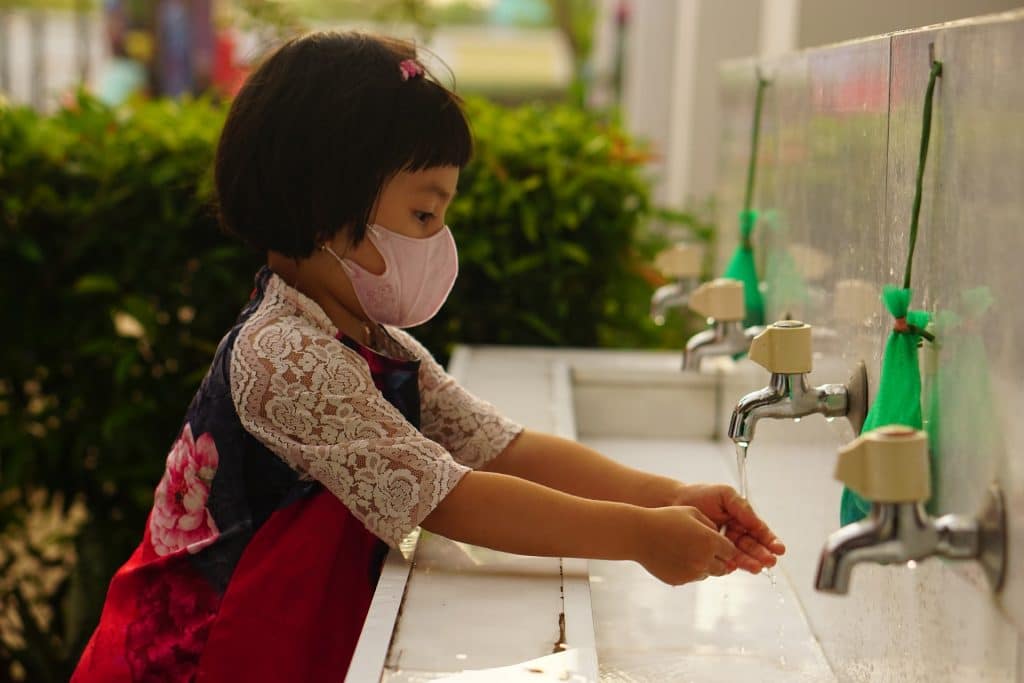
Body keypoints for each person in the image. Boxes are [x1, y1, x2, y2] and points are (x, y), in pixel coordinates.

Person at [72, 31, 785, 682]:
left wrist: (667, 497)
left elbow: (499, 448)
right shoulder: (286, 354)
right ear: (324, 207)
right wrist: (636, 535)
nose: (437, 239)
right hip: (194, 662)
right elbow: (448, 496)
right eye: (422, 214)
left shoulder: (364, 339)